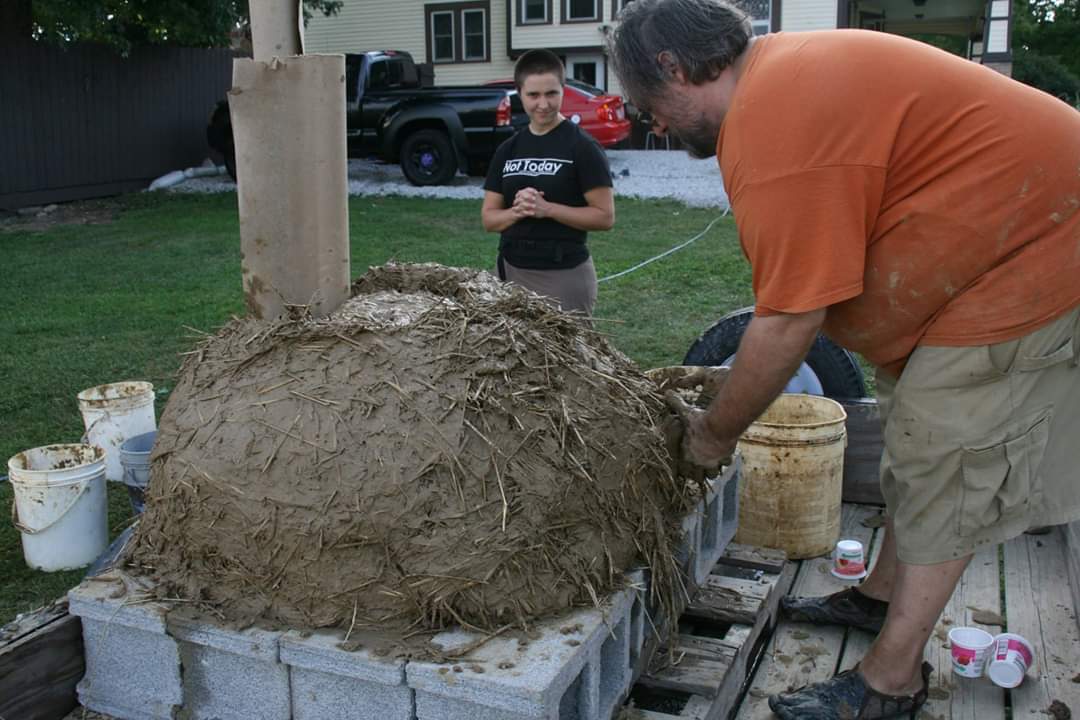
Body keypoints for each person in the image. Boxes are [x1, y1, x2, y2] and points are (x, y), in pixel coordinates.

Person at [609, 1, 1080, 718]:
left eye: (651, 106)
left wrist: (711, 434)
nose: (657, 126)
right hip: (990, 253)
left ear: (675, 68)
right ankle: (879, 596)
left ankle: (891, 682)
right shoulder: (780, 83)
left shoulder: (776, 119)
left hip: (1041, 249)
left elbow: (791, 318)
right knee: (914, 438)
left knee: (946, 463)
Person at [481, 49, 615, 316]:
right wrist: (517, 211)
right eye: (533, 95)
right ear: (520, 94)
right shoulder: (508, 149)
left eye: (551, 93)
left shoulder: (582, 147)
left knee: (567, 356)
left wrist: (548, 209)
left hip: (563, 277)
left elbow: (604, 217)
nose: (543, 104)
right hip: (510, 273)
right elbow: (489, 219)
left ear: (563, 90)